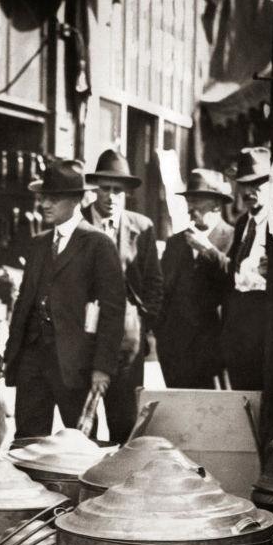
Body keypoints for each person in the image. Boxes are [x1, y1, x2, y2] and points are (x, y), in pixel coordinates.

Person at [4, 159, 125, 438]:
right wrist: (13, 355)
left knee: (79, 447)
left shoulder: (98, 244)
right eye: (43, 197)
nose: (45, 204)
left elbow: (112, 312)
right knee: (27, 444)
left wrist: (102, 368)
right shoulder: (38, 244)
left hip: (75, 365)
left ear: (76, 200)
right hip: (32, 361)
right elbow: (23, 303)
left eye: (54, 198)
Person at [82, 149, 163, 443]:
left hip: (126, 343)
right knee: (82, 426)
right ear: (95, 189)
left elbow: (154, 283)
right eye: (105, 189)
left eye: (118, 190)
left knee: (124, 424)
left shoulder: (141, 228)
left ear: (126, 192)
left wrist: (141, 323)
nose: (111, 196)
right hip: (84, 337)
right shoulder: (77, 224)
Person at [156, 169, 235, 388]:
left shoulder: (234, 238)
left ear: (217, 205)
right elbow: (162, 293)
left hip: (215, 355)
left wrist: (207, 249)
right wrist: (162, 337)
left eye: (197, 201)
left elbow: (234, 281)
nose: (191, 208)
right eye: (189, 201)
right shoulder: (175, 243)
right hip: (176, 355)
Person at [221, 146, 271, 390]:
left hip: (265, 320)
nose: (250, 191)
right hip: (239, 321)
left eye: (258, 183)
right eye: (244, 184)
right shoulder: (242, 223)